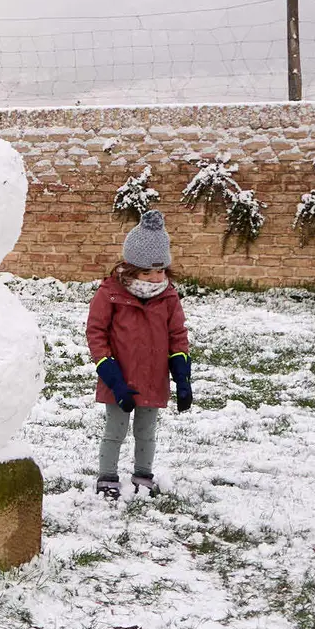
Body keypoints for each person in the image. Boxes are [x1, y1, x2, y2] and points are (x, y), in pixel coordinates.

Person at [86, 210, 193, 499]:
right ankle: (107, 475)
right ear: (131, 268)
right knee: (115, 430)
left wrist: (182, 377)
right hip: (118, 378)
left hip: (152, 378)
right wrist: (113, 379)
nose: (155, 277)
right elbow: (96, 333)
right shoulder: (110, 293)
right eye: (147, 272)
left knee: (146, 432)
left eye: (160, 270)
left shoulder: (168, 296)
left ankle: (143, 474)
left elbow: (177, 336)